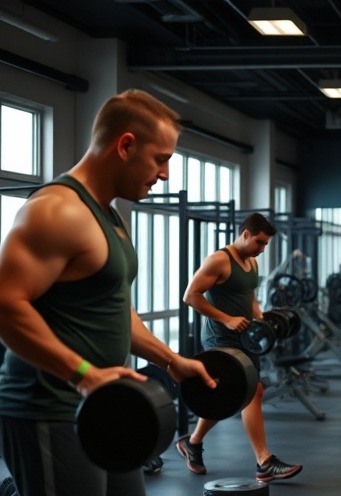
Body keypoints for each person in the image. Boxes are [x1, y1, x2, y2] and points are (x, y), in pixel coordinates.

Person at [0, 89, 215, 496]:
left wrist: (172, 360)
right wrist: (83, 375)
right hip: (49, 409)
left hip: (102, 407)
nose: (166, 174)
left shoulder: (109, 216)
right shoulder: (56, 211)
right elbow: (6, 306)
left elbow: (115, 309)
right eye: (161, 158)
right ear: (126, 144)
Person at [178, 212, 303, 483]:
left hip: (245, 338)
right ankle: (264, 461)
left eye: (265, 244)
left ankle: (194, 442)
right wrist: (226, 318)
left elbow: (249, 297)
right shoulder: (219, 260)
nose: (262, 248)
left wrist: (261, 321)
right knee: (252, 391)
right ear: (245, 234)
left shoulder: (251, 262)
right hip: (219, 339)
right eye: (259, 242)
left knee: (231, 396)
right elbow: (191, 296)